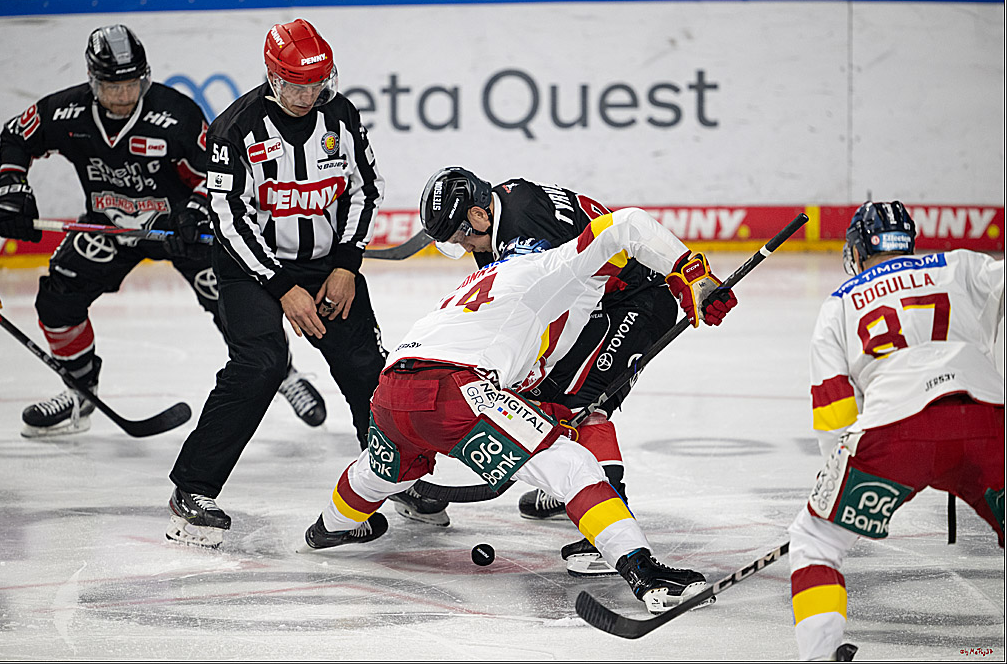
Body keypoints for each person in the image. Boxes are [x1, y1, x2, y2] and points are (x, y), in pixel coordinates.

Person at [299, 206, 737, 613]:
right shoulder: (546, 268)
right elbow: (625, 225)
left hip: (393, 392)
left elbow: (506, 358)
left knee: (376, 473)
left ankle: (326, 529)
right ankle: (646, 576)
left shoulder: (479, 284)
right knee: (574, 466)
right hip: (456, 391)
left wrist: (537, 409)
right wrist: (690, 275)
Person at [0, 24, 325, 438]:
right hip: (110, 228)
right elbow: (16, 136)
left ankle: (284, 374)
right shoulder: (66, 112)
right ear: (93, 81)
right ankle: (80, 391)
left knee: (233, 303)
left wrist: (198, 208)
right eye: (112, 86)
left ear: (144, 76)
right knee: (58, 300)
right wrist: (11, 184)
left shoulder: (176, 113)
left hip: (181, 230)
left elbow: (217, 171)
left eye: (132, 83)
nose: (123, 95)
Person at [410, 167, 708, 577]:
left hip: (634, 302)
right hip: (600, 299)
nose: (465, 246)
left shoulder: (528, 231)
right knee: (554, 395)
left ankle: (608, 521)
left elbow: (562, 310)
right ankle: (575, 490)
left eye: (463, 236)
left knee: (581, 405)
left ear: (478, 216)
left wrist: (525, 371)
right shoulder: (500, 211)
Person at [165, 18, 390, 548]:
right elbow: (227, 218)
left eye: (318, 83)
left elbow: (364, 188)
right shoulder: (234, 128)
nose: (308, 95)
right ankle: (192, 491)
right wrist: (282, 284)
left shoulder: (341, 114)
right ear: (272, 76)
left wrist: (346, 264)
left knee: (366, 368)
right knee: (260, 363)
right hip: (251, 268)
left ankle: (393, 473)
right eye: (296, 84)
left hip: (328, 264)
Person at [789, 201, 1004, 660]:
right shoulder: (958, 265)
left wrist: (836, 486)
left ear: (859, 248)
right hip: (988, 421)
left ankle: (820, 656)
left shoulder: (841, 303)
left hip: (894, 432)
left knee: (815, 540)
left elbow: (833, 411)